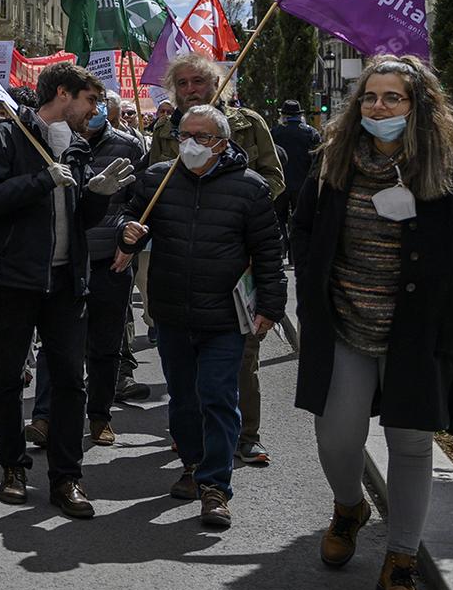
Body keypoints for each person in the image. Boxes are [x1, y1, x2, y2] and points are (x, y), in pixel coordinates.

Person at [291, 56, 453, 590]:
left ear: (418, 106)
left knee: (411, 448)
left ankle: (400, 562)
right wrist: (311, 279)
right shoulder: (334, 161)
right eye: (370, 98)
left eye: (393, 98)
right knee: (337, 439)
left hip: (415, 334)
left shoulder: (451, 166)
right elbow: (304, 225)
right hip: (345, 326)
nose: (379, 108)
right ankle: (349, 507)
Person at [116, 104, 286, 529]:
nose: (191, 143)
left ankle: (215, 487)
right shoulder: (158, 180)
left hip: (224, 318)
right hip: (172, 312)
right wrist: (126, 230)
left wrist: (270, 306)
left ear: (223, 144)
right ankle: (191, 466)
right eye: (185, 135)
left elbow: (269, 252)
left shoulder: (249, 189)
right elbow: (128, 218)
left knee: (217, 397)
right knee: (184, 400)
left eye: (203, 136)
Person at [0, 61, 114, 519]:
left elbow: (79, 218)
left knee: (71, 380)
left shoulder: (78, 145)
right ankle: (13, 466)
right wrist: (41, 179)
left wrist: (98, 196)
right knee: (9, 376)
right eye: (89, 101)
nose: (94, 112)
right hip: (15, 279)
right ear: (64, 95)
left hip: (67, 282)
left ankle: (67, 477)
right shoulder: (6, 137)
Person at [150, 54, 286, 467]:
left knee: (243, 355)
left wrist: (236, 202)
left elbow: (276, 177)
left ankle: (247, 435)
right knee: (184, 361)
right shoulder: (166, 128)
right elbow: (155, 182)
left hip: (236, 257)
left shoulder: (248, 123)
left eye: (199, 82)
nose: (192, 90)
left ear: (215, 84)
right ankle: (192, 436)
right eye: (184, 84)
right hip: (184, 258)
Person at [31, 91, 144, 448]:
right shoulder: (54, 141)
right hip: (65, 261)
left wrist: (127, 241)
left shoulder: (128, 146)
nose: (89, 114)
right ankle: (43, 416)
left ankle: (99, 416)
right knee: (55, 343)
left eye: (96, 109)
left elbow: (140, 203)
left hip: (110, 261)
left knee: (105, 346)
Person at [271, 99, 322, 259]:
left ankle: (282, 248)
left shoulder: (275, 132)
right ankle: (295, 254)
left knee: (279, 216)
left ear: (283, 115)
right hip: (303, 184)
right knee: (299, 217)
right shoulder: (311, 133)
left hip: (281, 182)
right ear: (300, 115)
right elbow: (318, 160)